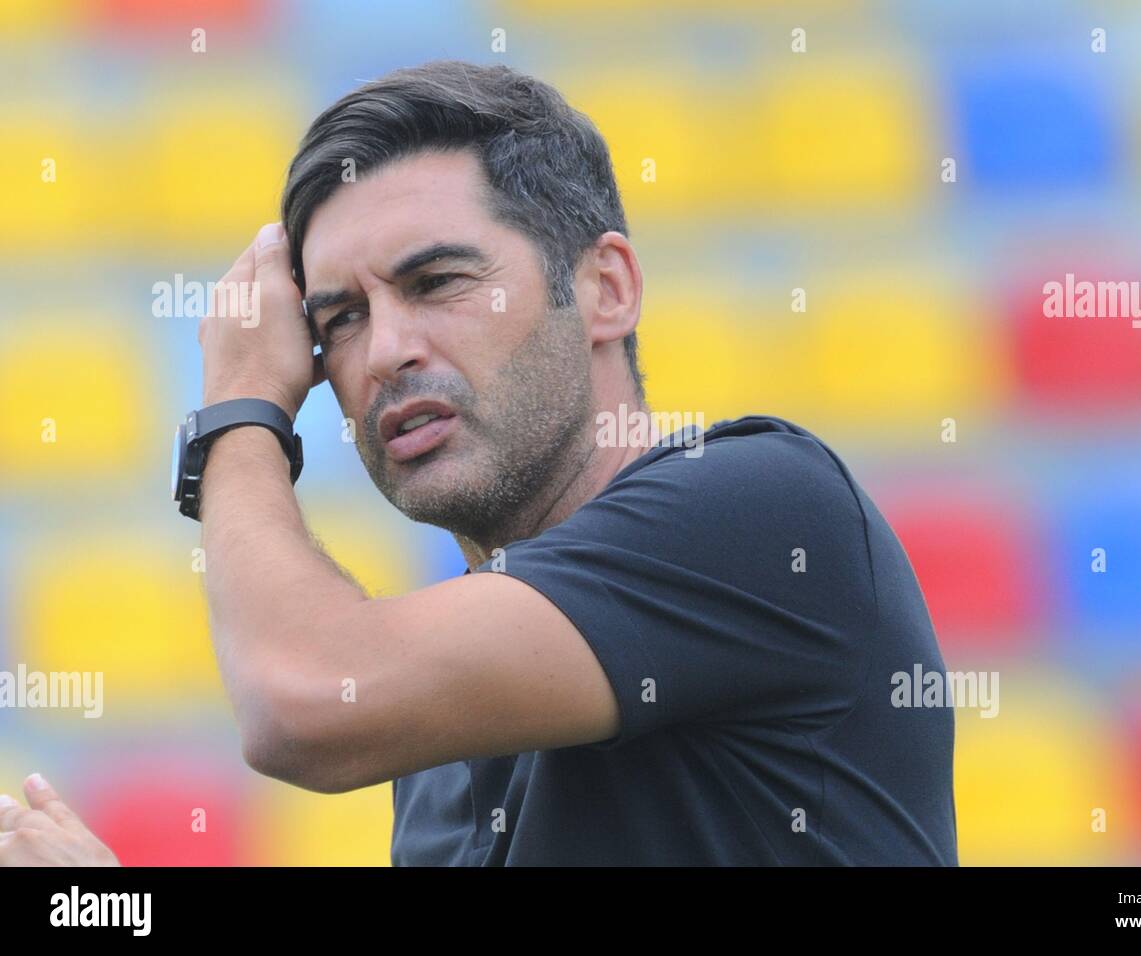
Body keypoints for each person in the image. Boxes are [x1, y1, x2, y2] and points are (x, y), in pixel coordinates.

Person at [0, 60, 957, 866]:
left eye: (438, 282)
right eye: (340, 320)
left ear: (605, 287)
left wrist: (239, 415)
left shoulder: (762, 509)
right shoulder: (437, 749)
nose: (384, 351)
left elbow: (302, 696)